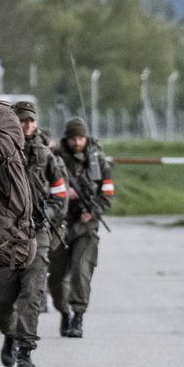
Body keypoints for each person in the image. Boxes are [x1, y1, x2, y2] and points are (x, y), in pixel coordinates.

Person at [0, 100, 69, 367]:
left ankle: (25, 349)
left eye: (31, 120)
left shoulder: (46, 156)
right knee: (1, 298)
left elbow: (60, 192)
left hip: (37, 231)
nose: (27, 125)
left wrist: (52, 213)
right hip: (5, 234)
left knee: (32, 292)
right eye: (22, 120)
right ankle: (9, 334)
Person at [50, 117, 114, 338]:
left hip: (86, 227)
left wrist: (94, 210)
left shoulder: (96, 161)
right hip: (60, 225)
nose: (77, 142)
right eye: (73, 138)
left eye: (81, 138)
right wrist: (64, 195)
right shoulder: (56, 159)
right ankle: (64, 312)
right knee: (56, 279)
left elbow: (107, 192)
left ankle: (78, 316)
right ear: (67, 139)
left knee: (81, 270)